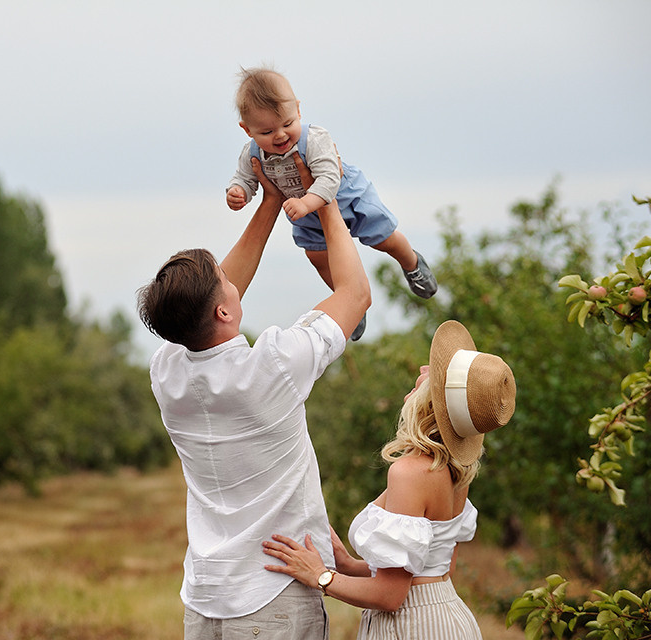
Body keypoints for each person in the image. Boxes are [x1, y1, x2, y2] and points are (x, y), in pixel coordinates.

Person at [136, 151, 370, 639]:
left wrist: (270, 200)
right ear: (223, 312)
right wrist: (323, 197)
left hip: (206, 594)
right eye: (223, 281)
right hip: (274, 592)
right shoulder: (273, 365)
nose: (230, 277)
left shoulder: (167, 376)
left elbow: (207, 305)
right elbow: (355, 293)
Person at [261, 320, 516, 640]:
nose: (421, 372)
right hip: (445, 616)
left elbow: (390, 596)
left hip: (415, 626)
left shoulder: (410, 473)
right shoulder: (455, 471)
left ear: (431, 402)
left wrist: (320, 576)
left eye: (430, 379)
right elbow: (435, 569)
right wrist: (348, 564)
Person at [226, 67, 437, 341]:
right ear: (247, 130)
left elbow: (329, 176)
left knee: (383, 239)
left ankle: (411, 262)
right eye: (267, 131)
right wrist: (238, 191)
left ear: (298, 111)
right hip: (305, 214)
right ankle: (348, 301)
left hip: (347, 197)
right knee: (317, 256)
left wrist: (306, 203)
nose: (280, 135)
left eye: (287, 124)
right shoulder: (252, 153)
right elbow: (245, 177)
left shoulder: (314, 139)